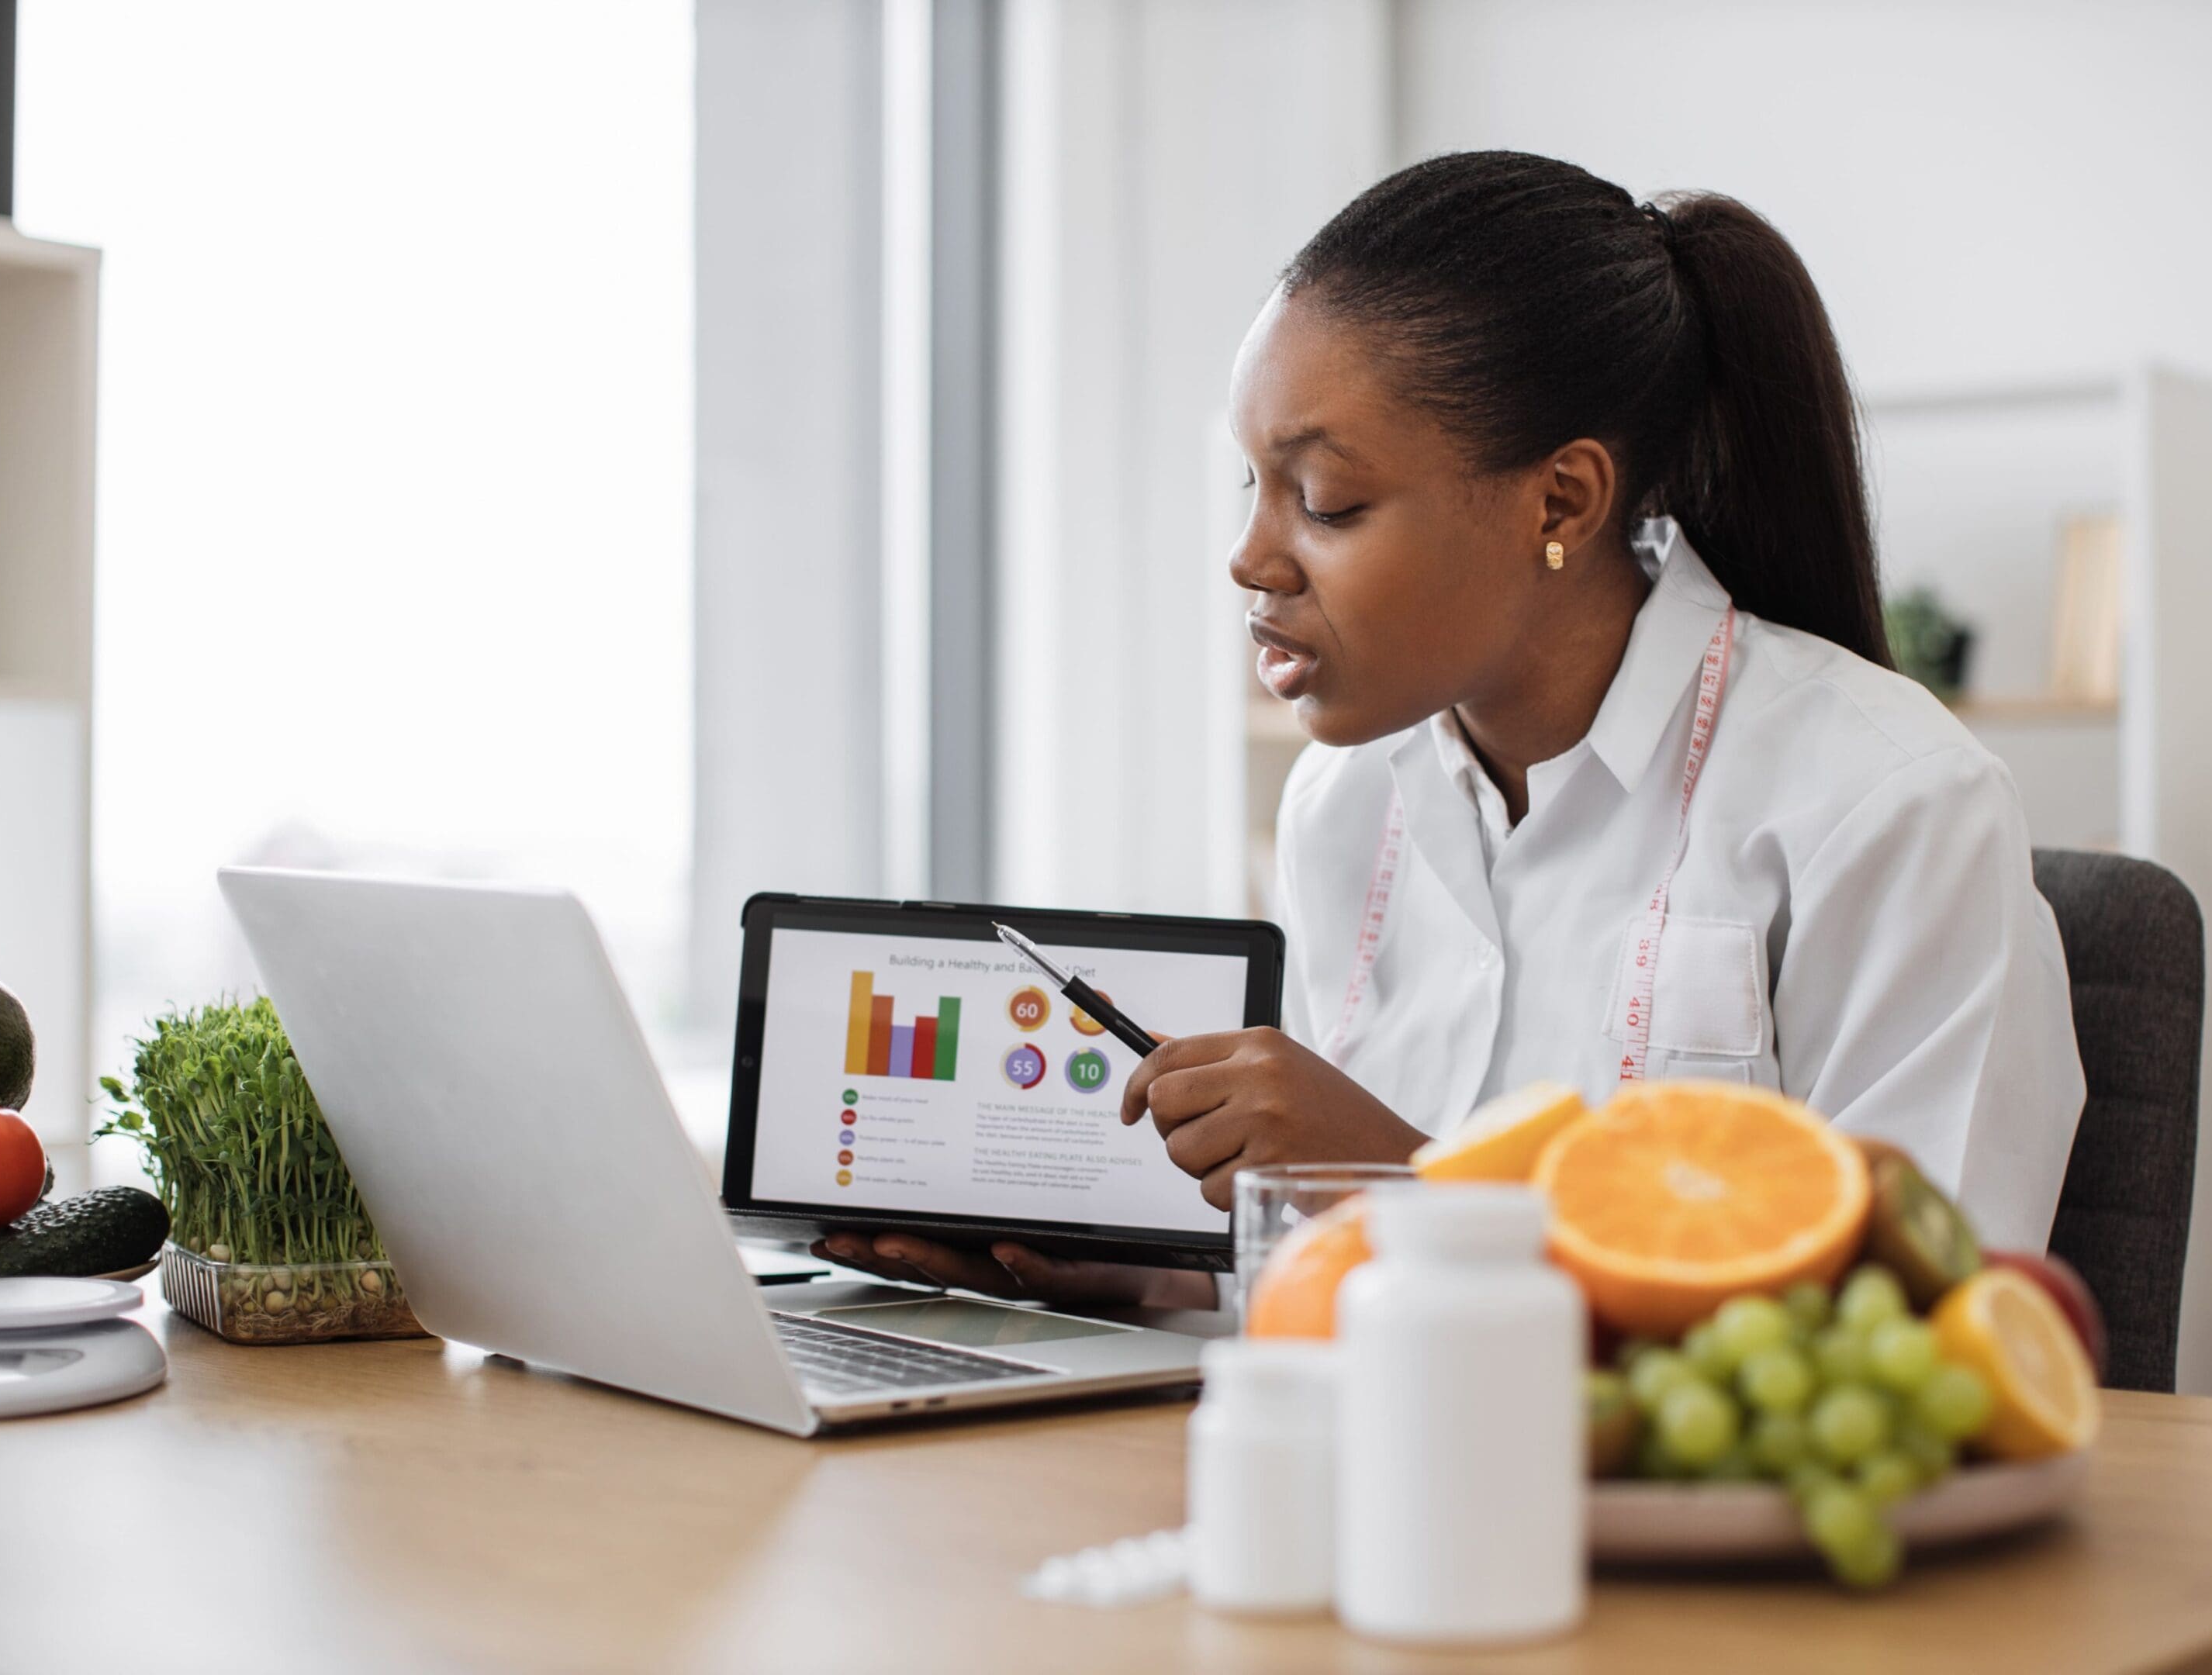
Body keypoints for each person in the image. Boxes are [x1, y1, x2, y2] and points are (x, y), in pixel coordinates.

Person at [817, 150, 2084, 1309]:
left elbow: (1915, 1336)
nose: (1251, 557)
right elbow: (1347, 1287)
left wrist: (1406, 1180)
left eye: (1325, 499)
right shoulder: (1342, 807)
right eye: (1250, 485)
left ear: (1564, 499)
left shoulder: (1892, 806)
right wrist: (1148, 1276)